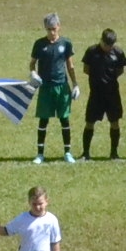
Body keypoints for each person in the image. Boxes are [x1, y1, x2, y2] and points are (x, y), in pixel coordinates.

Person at [30, 13, 78, 164]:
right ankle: (40, 154)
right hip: (46, 87)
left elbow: (70, 65)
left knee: (64, 119)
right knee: (43, 120)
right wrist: (33, 73)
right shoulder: (39, 44)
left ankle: (68, 152)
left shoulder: (66, 43)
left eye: (54, 29)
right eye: (49, 29)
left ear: (59, 27)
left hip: (61, 86)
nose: (52, 32)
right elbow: (32, 63)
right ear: (45, 28)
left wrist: (75, 84)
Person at [80, 28, 126, 160]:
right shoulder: (92, 51)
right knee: (90, 122)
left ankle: (114, 153)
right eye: (106, 44)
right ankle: (85, 153)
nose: (108, 47)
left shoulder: (118, 53)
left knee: (114, 122)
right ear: (101, 40)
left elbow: (120, 70)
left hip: (112, 93)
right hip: (96, 93)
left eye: (110, 45)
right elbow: (86, 69)